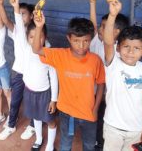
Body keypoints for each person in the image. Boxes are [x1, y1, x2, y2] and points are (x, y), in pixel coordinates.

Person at [32, 15, 105, 151]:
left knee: (89, 145)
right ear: (69, 38)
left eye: (86, 41)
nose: (81, 46)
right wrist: (38, 27)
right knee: (65, 144)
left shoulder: (96, 60)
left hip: (88, 112)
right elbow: (36, 49)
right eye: (76, 41)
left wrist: (95, 109)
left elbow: (101, 84)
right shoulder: (60, 55)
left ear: (91, 39)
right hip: (67, 112)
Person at [103, 0, 142, 150]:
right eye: (126, 47)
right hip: (113, 128)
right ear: (118, 48)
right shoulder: (114, 64)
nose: (131, 52)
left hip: (136, 129)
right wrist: (112, 15)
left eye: (136, 48)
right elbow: (108, 41)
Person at [12, 0, 58, 151]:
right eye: (31, 37)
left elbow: (54, 76)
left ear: (45, 37)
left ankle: (50, 145)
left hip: (45, 93)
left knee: (50, 121)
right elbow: (19, 25)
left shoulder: (48, 52)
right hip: (30, 91)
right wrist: (16, 8)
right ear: (27, 38)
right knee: (36, 117)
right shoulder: (25, 48)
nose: (35, 40)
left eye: (39, 36)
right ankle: (39, 139)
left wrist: (54, 99)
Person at [88, 0, 129, 149]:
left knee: (105, 122)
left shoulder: (118, 49)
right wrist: (92, 3)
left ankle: (101, 143)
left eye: (104, 27)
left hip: (108, 94)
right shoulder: (96, 40)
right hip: (96, 91)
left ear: (116, 32)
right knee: (95, 119)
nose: (99, 29)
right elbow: (92, 25)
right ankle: (97, 142)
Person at [0, 0, 36, 140]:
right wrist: (0, 3)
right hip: (19, 72)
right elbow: (6, 20)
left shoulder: (37, 33)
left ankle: (32, 125)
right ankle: (11, 125)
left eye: (23, 13)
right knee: (14, 101)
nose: (20, 15)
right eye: (18, 13)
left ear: (32, 16)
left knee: (32, 102)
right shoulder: (17, 31)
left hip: (33, 74)